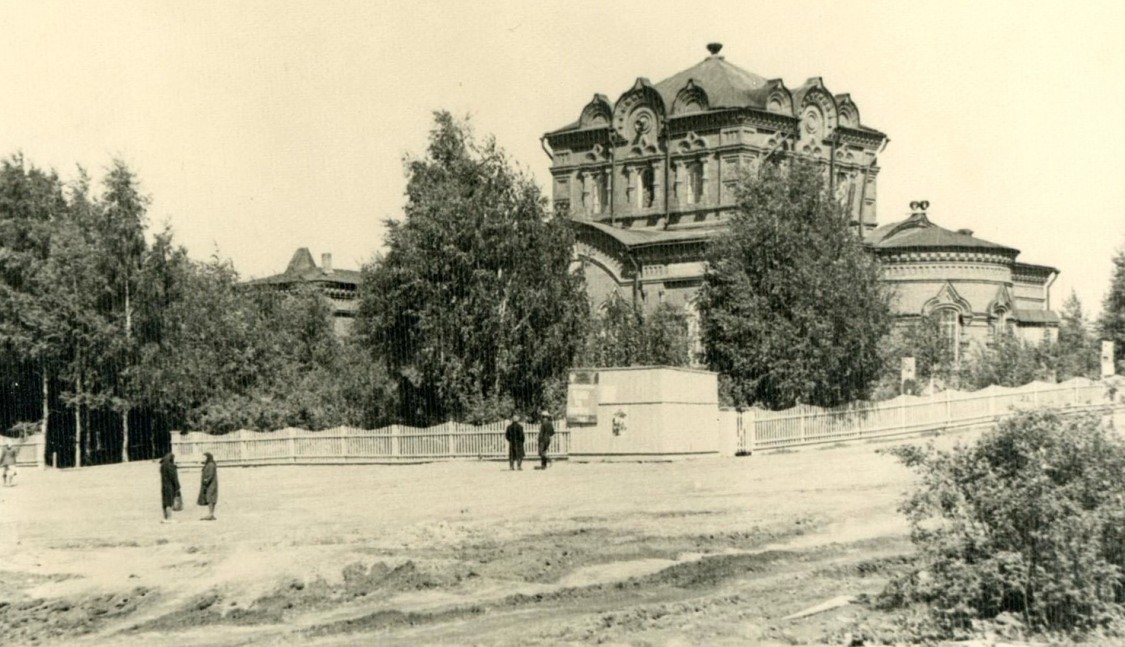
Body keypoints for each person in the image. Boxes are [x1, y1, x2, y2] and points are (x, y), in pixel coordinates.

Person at [159, 452, 181, 523]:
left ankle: (165, 517)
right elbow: (174, 478)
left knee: (165, 501)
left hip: (164, 485)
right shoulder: (170, 466)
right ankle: (169, 518)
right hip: (170, 486)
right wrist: (177, 486)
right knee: (169, 501)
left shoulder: (162, 466)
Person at [197, 452, 218, 521]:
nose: (203, 459)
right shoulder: (208, 464)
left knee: (210, 498)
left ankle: (210, 514)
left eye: (204, 457)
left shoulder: (211, 465)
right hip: (210, 484)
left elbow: (211, 474)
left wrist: (206, 480)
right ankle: (211, 513)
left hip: (211, 484)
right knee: (210, 498)